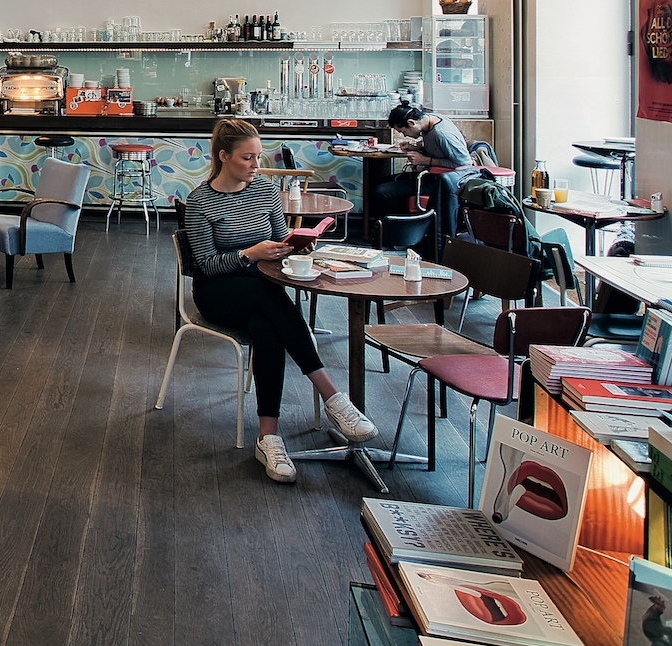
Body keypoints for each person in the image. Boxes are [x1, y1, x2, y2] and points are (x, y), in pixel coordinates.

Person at [183, 118, 377, 483]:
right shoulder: (200, 201)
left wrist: (295, 244)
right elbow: (205, 266)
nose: (257, 165)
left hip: (261, 288)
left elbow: (278, 241)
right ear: (223, 156)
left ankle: (268, 437)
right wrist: (250, 254)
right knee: (268, 298)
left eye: (258, 157)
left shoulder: (267, 192)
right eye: (248, 158)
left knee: (266, 330)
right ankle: (333, 397)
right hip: (217, 291)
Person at [375, 102, 477, 244]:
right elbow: (435, 147)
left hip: (442, 182)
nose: (405, 135)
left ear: (411, 123)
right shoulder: (430, 119)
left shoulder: (442, 134)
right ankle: (387, 233)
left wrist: (426, 160)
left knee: (382, 191)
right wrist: (416, 147)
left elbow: (464, 163)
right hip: (431, 175)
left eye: (404, 132)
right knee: (380, 182)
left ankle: (403, 235)